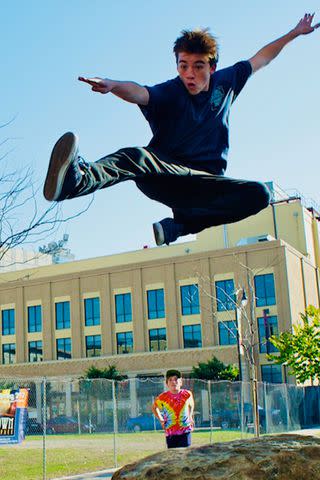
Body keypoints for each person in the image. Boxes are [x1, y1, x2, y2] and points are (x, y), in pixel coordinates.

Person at [43, 13, 319, 246]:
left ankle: (180, 227)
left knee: (260, 194)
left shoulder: (228, 81)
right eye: (183, 66)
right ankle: (76, 181)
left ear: (212, 67)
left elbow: (262, 58)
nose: (189, 74)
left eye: (198, 67)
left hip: (204, 183)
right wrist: (114, 85)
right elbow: (141, 93)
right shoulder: (170, 92)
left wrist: (294, 33)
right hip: (166, 174)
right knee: (135, 156)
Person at [152, 369, 194, 448]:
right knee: (173, 456)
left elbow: (191, 404)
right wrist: (161, 419)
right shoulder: (162, 397)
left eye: (176, 379)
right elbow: (154, 408)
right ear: (167, 383)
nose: (173, 382)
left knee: (185, 454)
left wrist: (190, 416)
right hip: (170, 432)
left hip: (185, 430)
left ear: (181, 382)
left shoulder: (187, 394)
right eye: (170, 380)